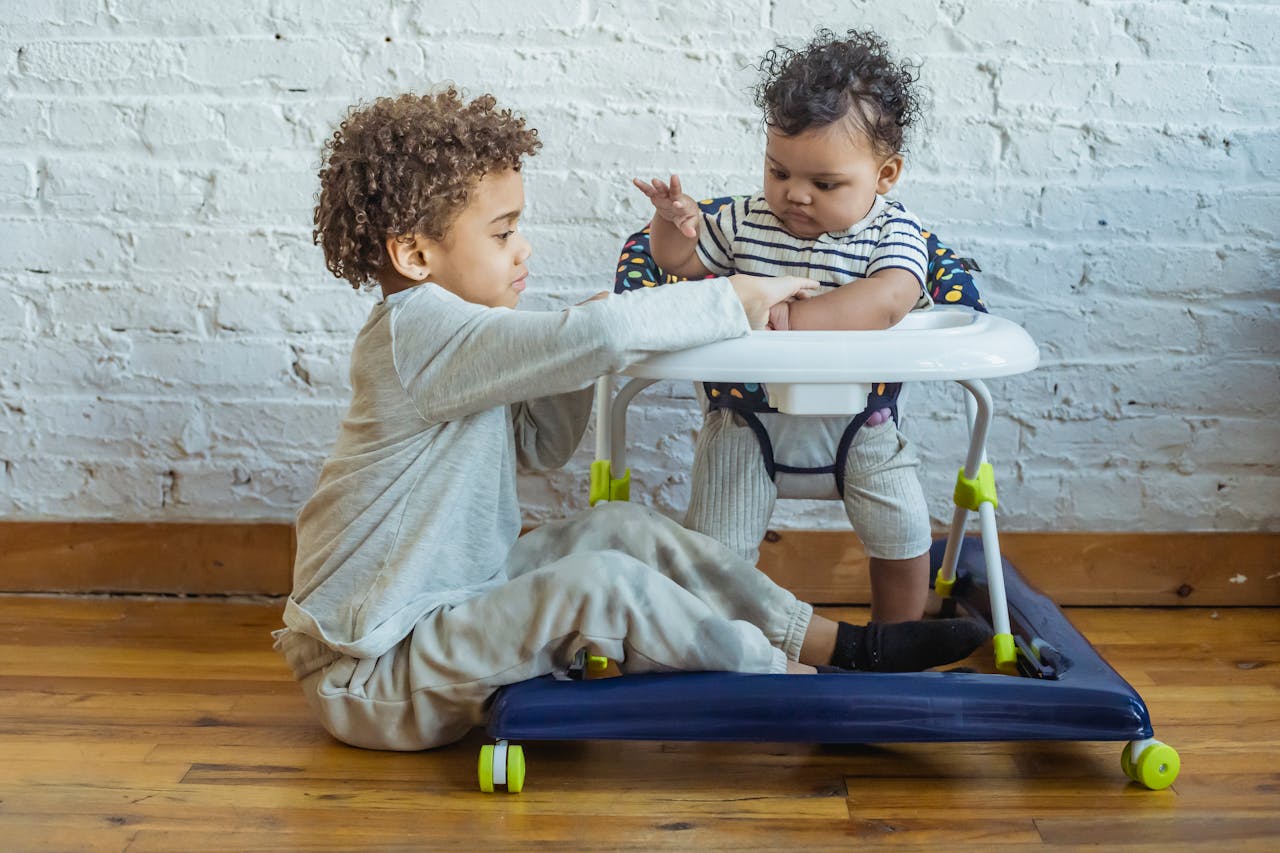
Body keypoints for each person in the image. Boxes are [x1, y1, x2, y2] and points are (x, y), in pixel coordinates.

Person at [273, 87, 990, 752]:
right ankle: (792, 680)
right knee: (600, 582)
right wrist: (735, 296)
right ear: (415, 254)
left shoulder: (460, 335)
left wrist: (571, 346)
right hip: (375, 664)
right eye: (502, 234)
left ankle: (840, 645)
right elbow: (603, 338)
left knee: (622, 529)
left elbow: (541, 446)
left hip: (453, 597)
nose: (523, 249)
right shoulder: (416, 329)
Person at [634, 28, 937, 625]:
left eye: (824, 184)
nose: (794, 195)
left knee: (903, 529)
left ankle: (897, 640)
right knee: (715, 546)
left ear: (885, 174)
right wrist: (673, 224)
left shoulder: (892, 231)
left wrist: (791, 319)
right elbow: (677, 264)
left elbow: (887, 301)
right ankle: (718, 641)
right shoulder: (746, 220)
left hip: (860, 420)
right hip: (747, 415)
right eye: (779, 171)